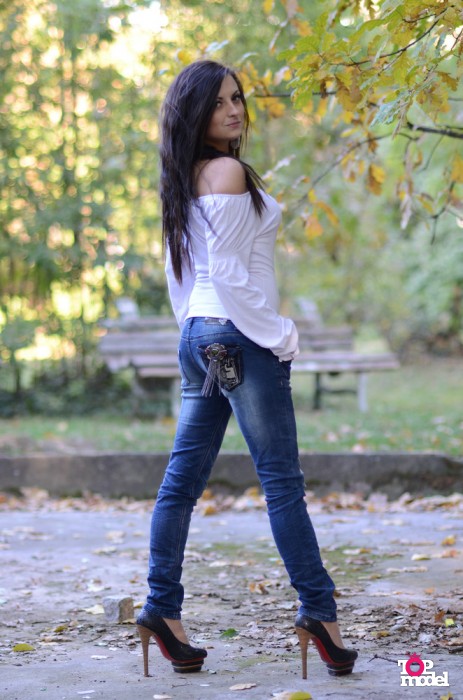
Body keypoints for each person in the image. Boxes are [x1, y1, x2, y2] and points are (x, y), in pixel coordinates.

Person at [136, 59, 358, 680]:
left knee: (180, 484)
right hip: (237, 334)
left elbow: (184, 275)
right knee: (282, 483)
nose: (233, 110)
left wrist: (194, 329)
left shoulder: (186, 175)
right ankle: (320, 615)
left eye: (237, 98)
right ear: (194, 114)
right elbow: (233, 278)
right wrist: (278, 333)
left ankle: (161, 609)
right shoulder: (227, 172)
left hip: (199, 333)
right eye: (217, 103)